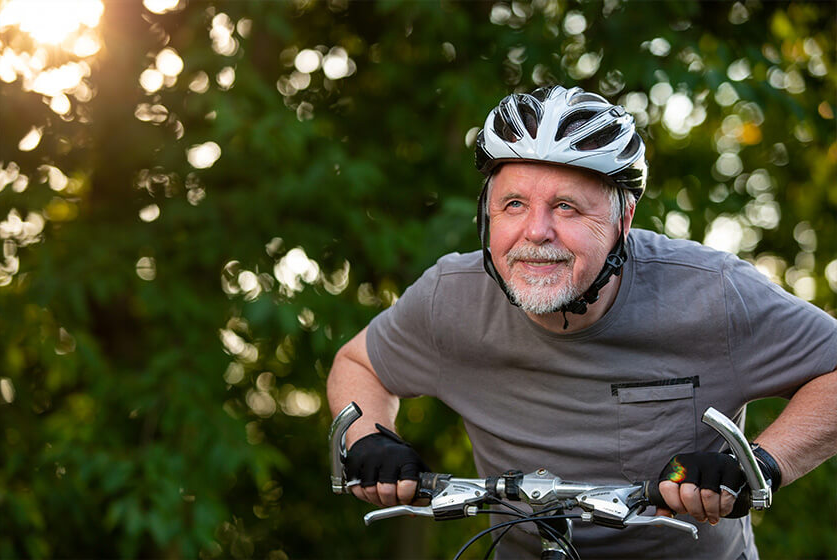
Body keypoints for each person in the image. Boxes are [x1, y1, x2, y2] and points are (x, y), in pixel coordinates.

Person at [326, 85, 837, 559]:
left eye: (567, 207)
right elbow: (358, 363)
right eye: (514, 204)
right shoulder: (450, 297)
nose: (537, 232)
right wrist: (370, 438)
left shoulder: (713, 293)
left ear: (623, 221)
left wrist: (761, 464)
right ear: (487, 215)